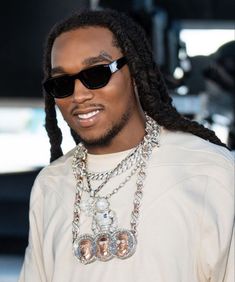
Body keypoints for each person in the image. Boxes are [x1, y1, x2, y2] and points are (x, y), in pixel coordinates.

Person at [19, 9, 234, 282]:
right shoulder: (51, 183)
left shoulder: (208, 170)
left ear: (133, 71)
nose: (79, 95)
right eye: (62, 83)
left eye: (96, 74)